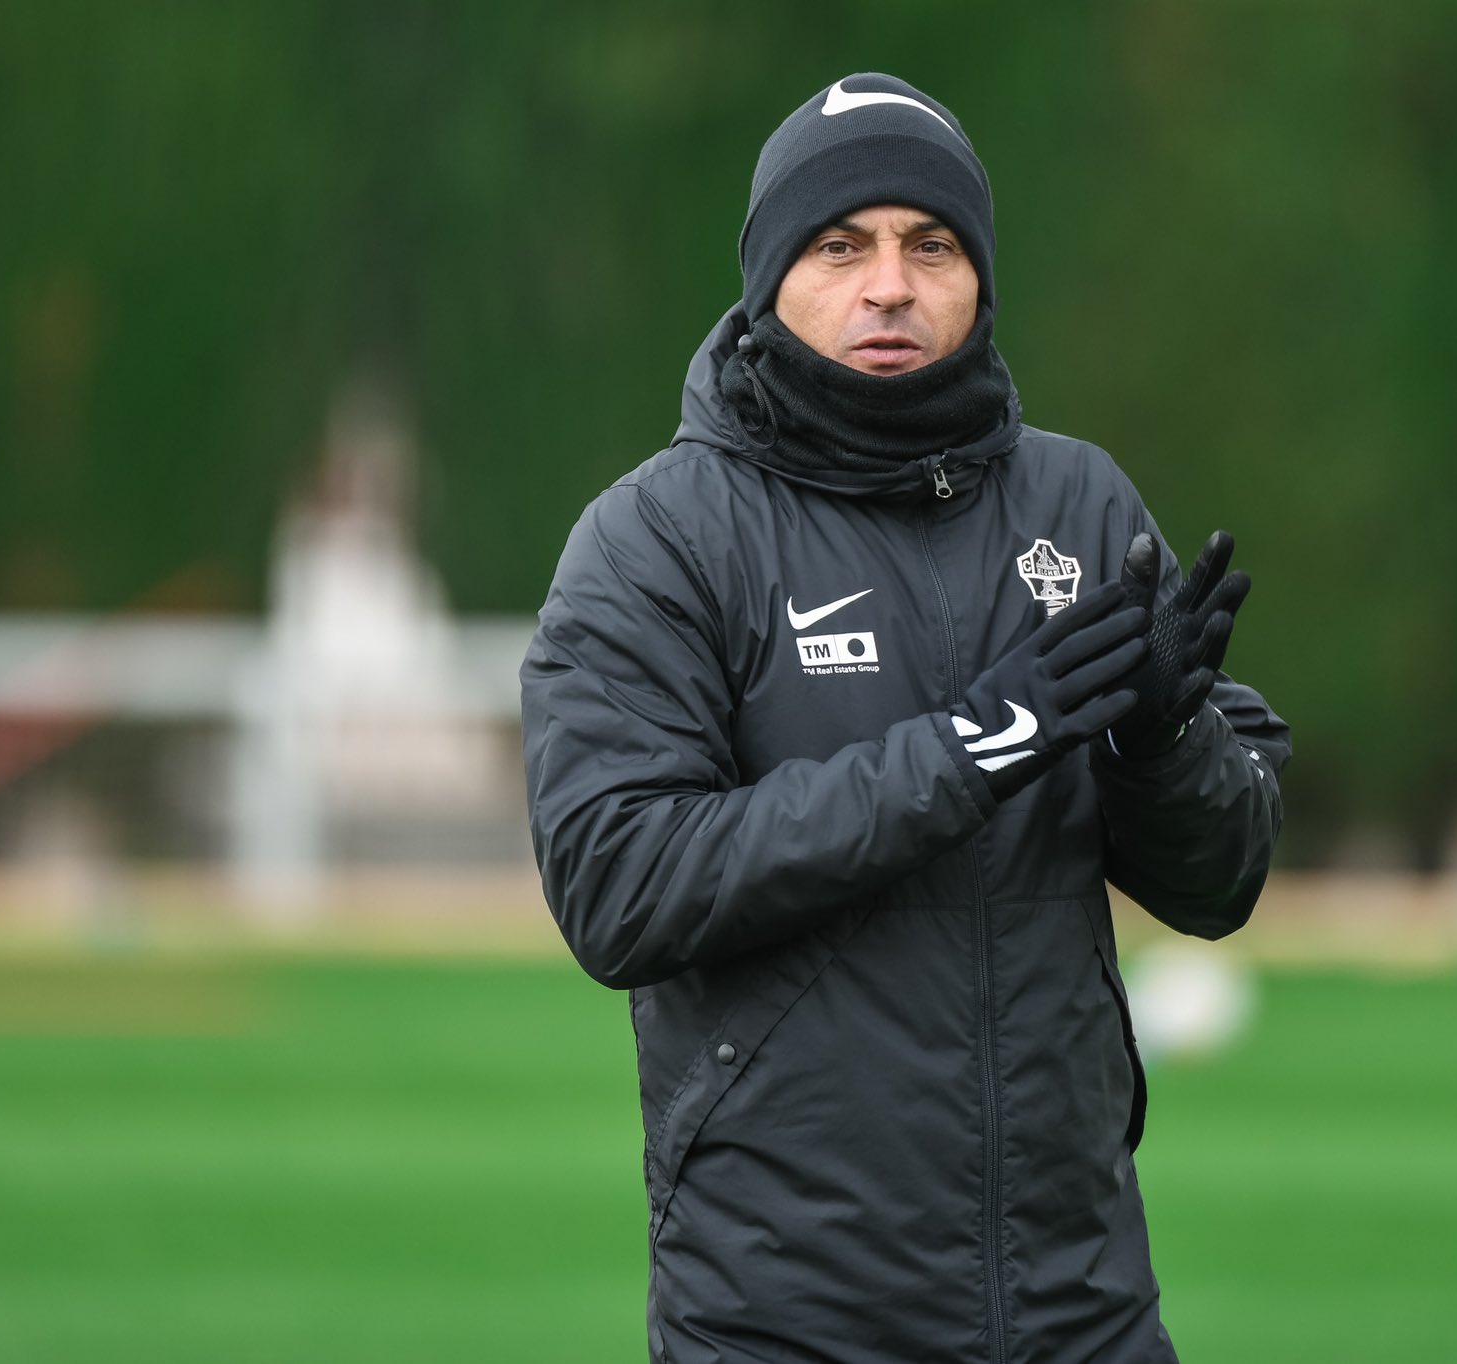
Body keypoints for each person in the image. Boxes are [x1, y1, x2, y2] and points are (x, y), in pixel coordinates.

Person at [521, 72, 1290, 1364]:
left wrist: (1164, 744)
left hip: (1081, 1317)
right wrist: (968, 746)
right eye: (842, 247)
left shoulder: (1082, 509)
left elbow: (1224, 879)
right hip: (787, 1328)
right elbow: (619, 882)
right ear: (771, 282)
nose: (891, 284)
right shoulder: (657, 539)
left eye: (931, 245)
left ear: (981, 278)